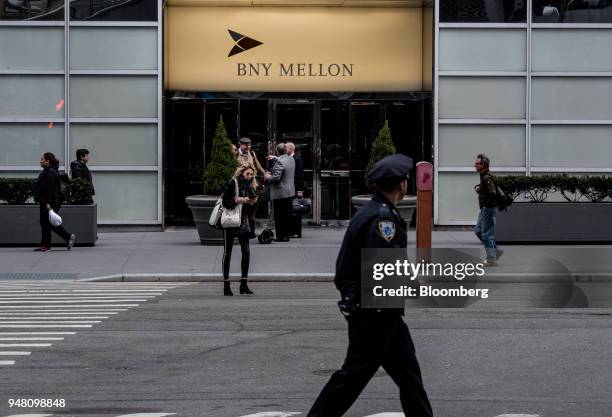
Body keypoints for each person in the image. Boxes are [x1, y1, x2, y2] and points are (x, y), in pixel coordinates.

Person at [306, 154, 433, 417]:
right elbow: (382, 268)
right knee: (353, 377)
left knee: (408, 378)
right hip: (376, 315)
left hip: (378, 313)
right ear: (401, 184)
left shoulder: (372, 212)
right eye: (406, 179)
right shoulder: (382, 220)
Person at [220, 166, 258, 296]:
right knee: (227, 252)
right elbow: (226, 202)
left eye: (252, 174)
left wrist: (253, 202)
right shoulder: (233, 183)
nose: (250, 176)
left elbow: (251, 206)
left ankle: (244, 283)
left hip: (244, 221)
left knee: (246, 252)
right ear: (242, 173)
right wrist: (243, 200)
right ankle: (226, 284)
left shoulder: (250, 186)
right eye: (248, 174)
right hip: (231, 221)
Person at [34, 152, 76, 252]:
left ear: (47, 161)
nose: (40, 161)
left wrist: (48, 203)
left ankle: (68, 236)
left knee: (48, 222)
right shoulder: (47, 170)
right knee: (44, 222)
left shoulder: (51, 172)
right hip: (46, 201)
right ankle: (45, 245)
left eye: (42, 159)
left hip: (51, 201)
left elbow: (50, 189)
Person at [474, 153, 503, 266]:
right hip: (485, 209)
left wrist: (486, 205)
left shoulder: (487, 177)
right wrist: (480, 189)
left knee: (487, 234)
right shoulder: (483, 176)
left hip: (488, 209)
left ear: (484, 165)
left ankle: (492, 259)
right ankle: (494, 251)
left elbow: (493, 192)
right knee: (478, 231)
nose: (475, 165)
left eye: (477, 164)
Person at [265, 143, 295, 242]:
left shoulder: (279, 162)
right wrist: (276, 157)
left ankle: (280, 237)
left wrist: (268, 176)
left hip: (280, 193)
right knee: (286, 215)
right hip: (289, 191)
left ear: (277, 151)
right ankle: (286, 235)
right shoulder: (291, 159)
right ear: (286, 150)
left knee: (279, 216)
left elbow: (276, 178)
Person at [286, 142, 304, 238]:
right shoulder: (287, 158)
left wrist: (300, 190)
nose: (285, 149)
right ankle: (291, 230)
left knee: (296, 209)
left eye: (286, 148)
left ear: (291, 149)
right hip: (289, 189)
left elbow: (300, 176)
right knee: (290, 210)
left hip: (295, 188)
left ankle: (297, 231)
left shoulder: (297, 159)